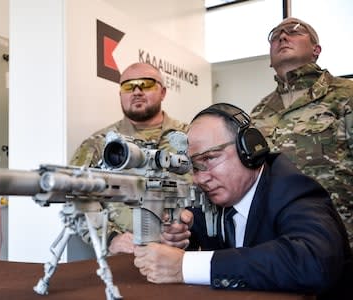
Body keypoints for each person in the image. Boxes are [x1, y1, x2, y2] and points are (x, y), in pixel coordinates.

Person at [133, 103, 352, 299]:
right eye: (194, 166)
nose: (201, 178)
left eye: (209, 159)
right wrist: (176, 240)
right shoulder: (213, 193)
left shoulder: (292, 189)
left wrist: (185, 265)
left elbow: (314, 262)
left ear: (249, 148)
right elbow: (183, 243)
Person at [250, 17, 353, 248]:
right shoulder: (258, 112)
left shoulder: (346, 94)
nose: (283, 37)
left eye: (295, 31)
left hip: (340, 241)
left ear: (316, 50)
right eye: (275, 36)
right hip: (277, 245)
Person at [69, 62, 191, 254]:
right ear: (121, 95)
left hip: (188, 257)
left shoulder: (191, 136)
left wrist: (192, 223)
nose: (136, 91)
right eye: (128, 86)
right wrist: (110, 238)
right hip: (126, 258)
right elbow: (73, 193)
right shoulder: (100, 144)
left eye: (146, 84)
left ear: (163, 92)